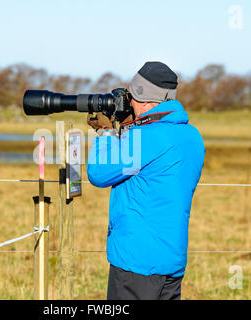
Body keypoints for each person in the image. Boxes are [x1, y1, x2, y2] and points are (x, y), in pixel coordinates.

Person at [86, 61, 205, 300]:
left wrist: (106, 133)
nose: (128, 101)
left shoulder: (146, 138)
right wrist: (132, 126)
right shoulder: (192, 135)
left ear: (143, 96)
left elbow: (98, 173)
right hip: (172, 259)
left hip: (136, 261)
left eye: (131, 96)